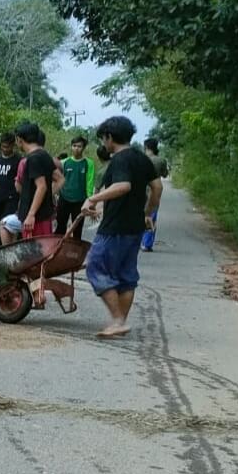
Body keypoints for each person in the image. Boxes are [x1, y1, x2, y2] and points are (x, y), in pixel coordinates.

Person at [81, 116, 162, 338]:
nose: (104, 143)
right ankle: (120, 323)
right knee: (126, 275)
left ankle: (117, 320)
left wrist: (94, 198)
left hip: (115, 226)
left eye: (104, 138)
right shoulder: (141, 158)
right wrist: (147, 213)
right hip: (135, 226)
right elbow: (157, 187)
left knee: (95, 266)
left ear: (109, 137)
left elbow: (123, 186)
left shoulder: (120, 160)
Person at [0, 122, 58, 242]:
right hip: (44, 213)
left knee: (34, 252)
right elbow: (56, 180)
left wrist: (31, 214)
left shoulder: (33, 158)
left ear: (19, 139)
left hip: (36, 216)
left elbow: (41, 187)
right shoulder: (45, 155)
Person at [58, 136, 97, 238]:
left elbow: (90, 183)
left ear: (83, 148)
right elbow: (58, 180)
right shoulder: (64, 162)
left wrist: (90, 202)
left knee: (77, 229)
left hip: (80, 201)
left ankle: (75, 251)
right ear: (71, 147)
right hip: (64, 199)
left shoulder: (89, 163)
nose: (76, 148)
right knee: (60, 227)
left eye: (79, 146)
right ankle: (57, 249)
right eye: (74, 146)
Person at [141, 138, 171, 251]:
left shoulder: (141, 159)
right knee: (152, 215)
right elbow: (165, 175)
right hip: (155, 190)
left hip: (141, 190)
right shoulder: (161, 160)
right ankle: (147, 244)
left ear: (146, 147)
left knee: (139, 215)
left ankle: (137, 241)